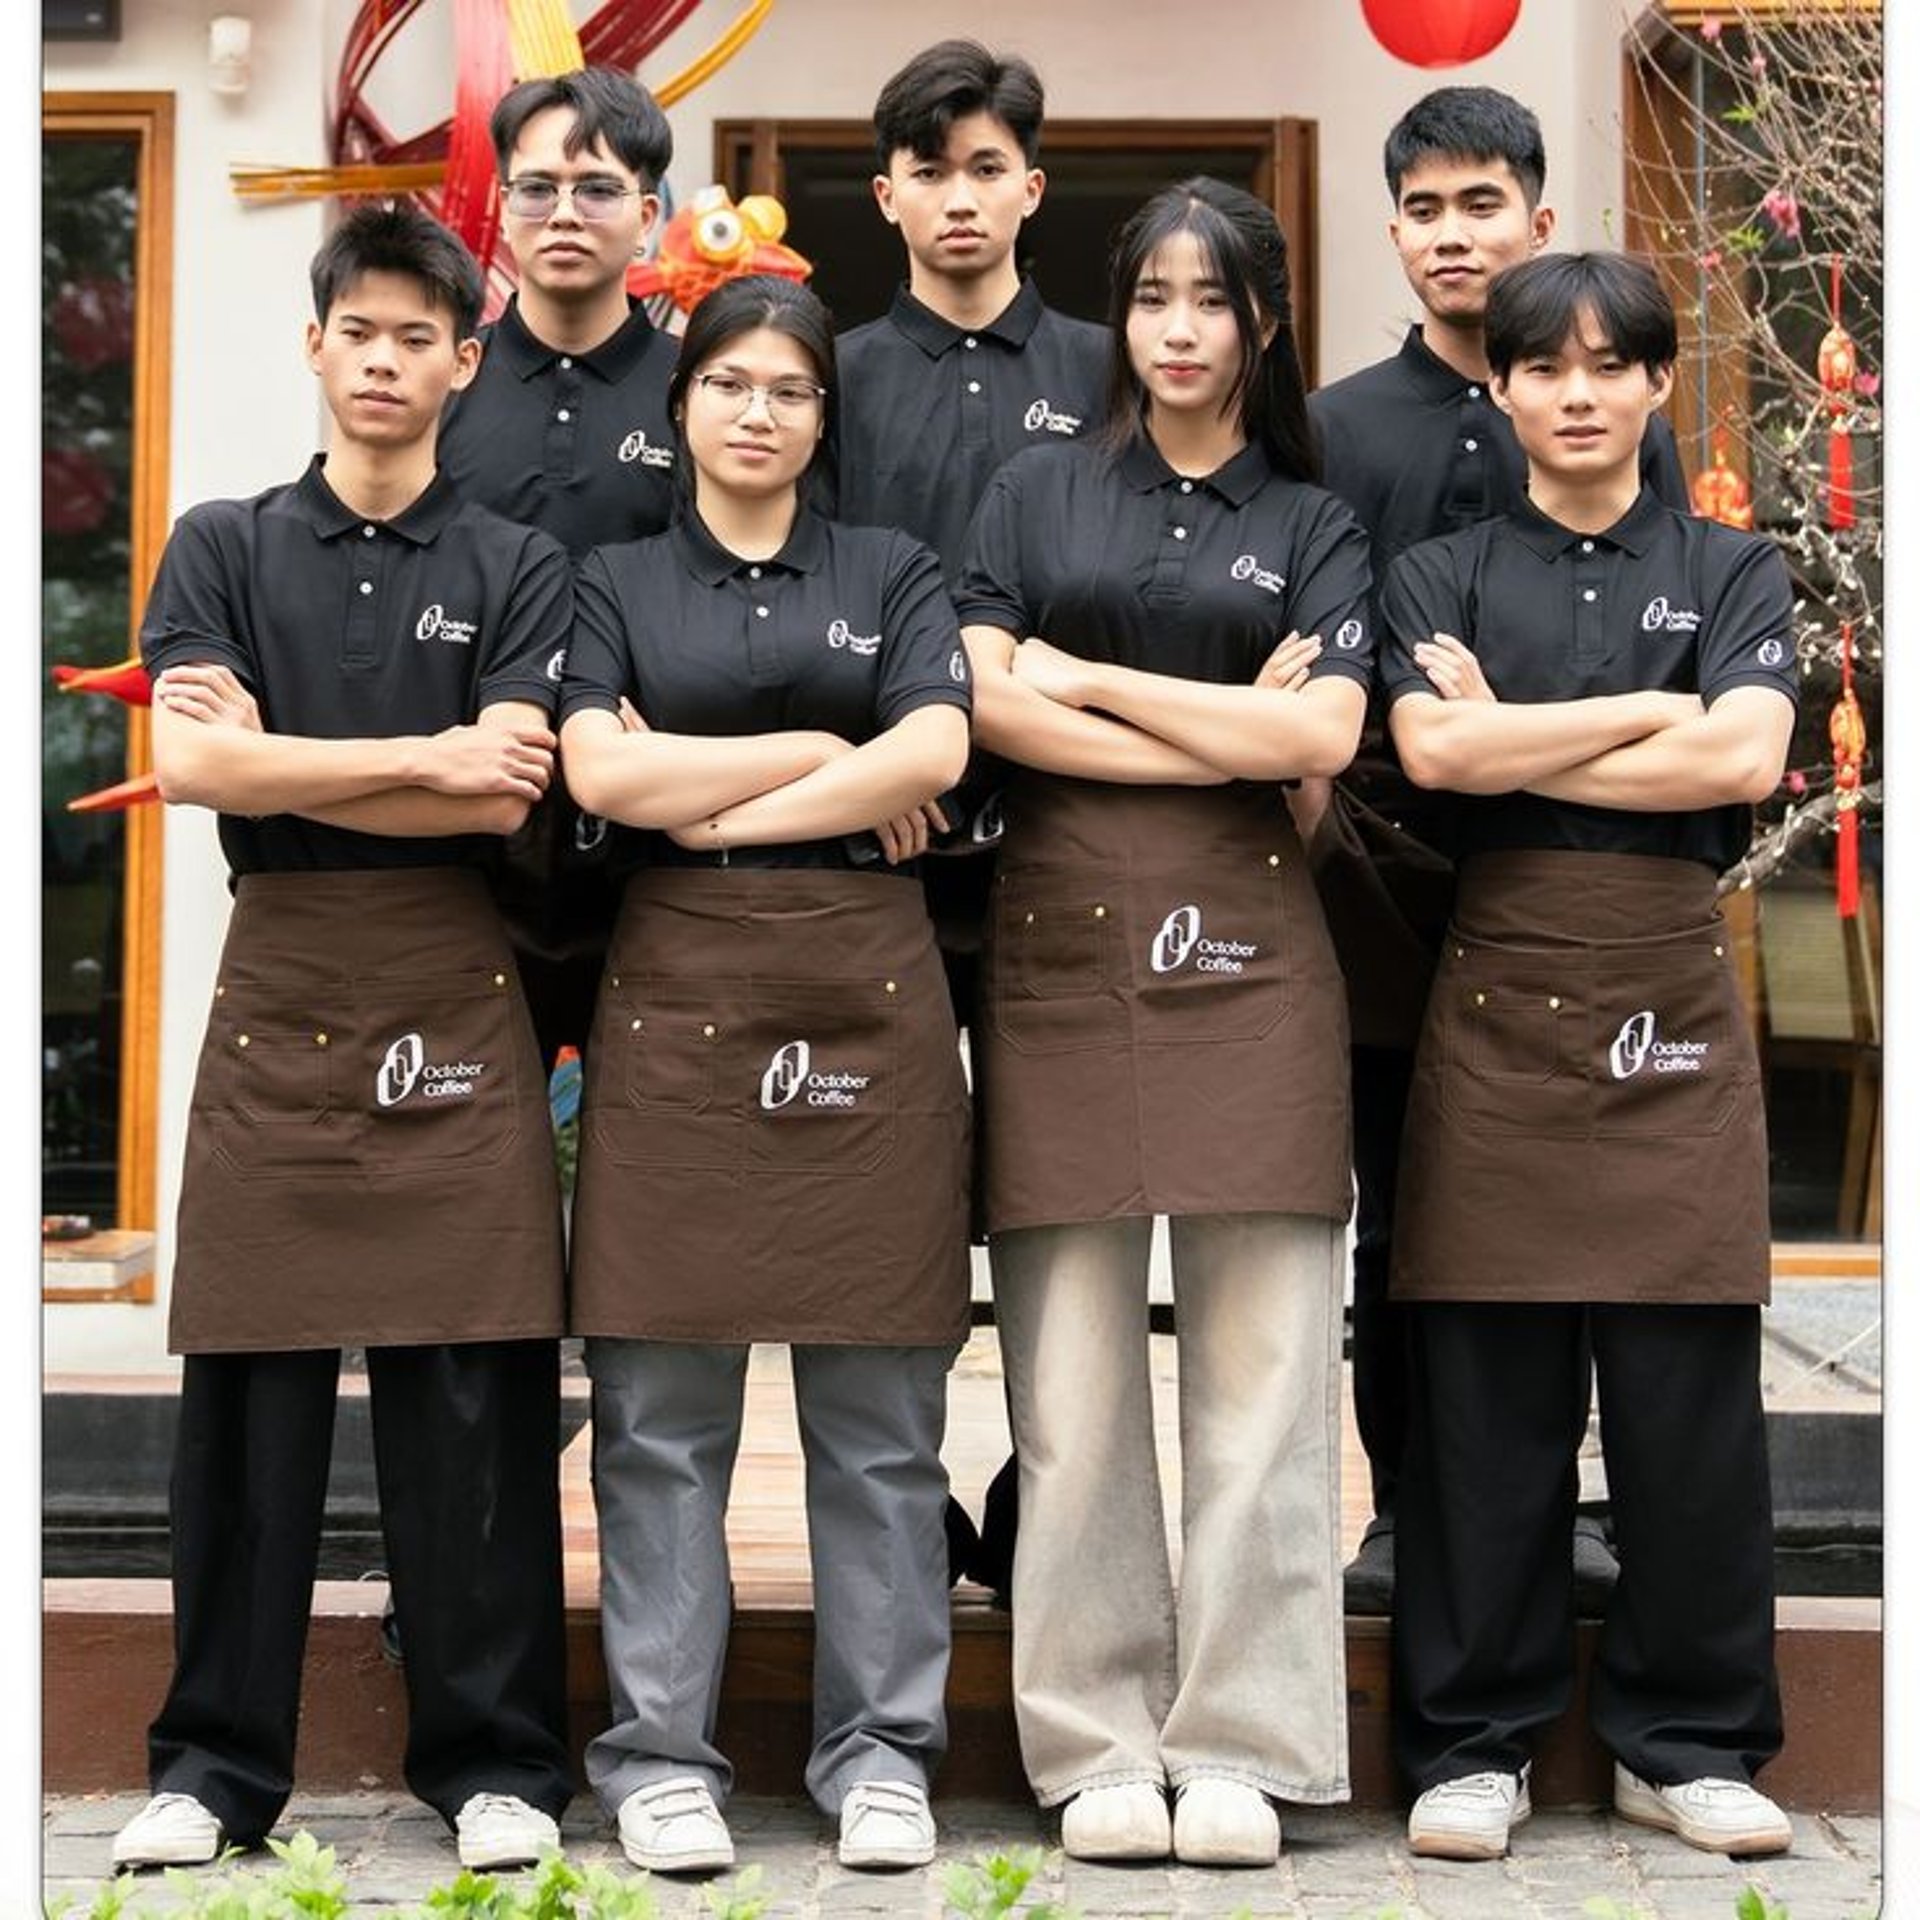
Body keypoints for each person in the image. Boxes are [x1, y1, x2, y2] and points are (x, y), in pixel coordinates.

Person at [111, 203, 575, 1875]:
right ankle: (214, 1768)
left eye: (416, 338)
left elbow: (507, 785)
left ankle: (498, 1763)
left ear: (466, 360)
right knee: (250, 1396)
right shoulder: (222, 545)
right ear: (315, 347)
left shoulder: (517, 561)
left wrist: (295, 758)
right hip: (281, 981)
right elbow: (197, 770)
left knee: (474, 1388)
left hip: (456, 983)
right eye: (357, 332)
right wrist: (421, 761)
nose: (384, 362)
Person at [955, 178, 1370, 1867]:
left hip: (1256, 962)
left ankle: (1248, 1739)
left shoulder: (1316, 519)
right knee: (1068, 1375)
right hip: (1061, 950)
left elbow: (1322, 736)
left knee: (1268, 1375)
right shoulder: (1035, 488)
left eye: (1213, 301)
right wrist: (1219, 728)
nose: (1180, 331)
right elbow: (979, 696)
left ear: (1264, 322)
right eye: (1151, 299)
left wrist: (1093, 679)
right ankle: (1095, 1736)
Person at [1380, 251, 1795, 1863]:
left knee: (1691, 1404)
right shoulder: (1442, 571)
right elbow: (1434, 752)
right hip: (1500, 1000)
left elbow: (1748, 754)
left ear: (1655, 385)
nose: (1576, 393)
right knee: (1487, 1408)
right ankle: (1471, 1742)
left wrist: (1524, 739)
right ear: (1498, 390)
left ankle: (1686, 1741)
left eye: (1609, 365)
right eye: (1543, 367)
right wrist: (1651, 714)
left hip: (1669, 993)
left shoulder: (1733, 563)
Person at [557, 275, 975, 1876]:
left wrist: (707, 805)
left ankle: (882, 1753)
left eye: (790, 390)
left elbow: (936, 749)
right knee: (661, 1414)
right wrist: (818, 758)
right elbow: (598, 769)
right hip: (676, 1006)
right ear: (681, 408)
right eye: (728, 383)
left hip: (869, 1000)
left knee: (880, 1411)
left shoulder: (894, 567)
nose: (757, 412)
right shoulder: (611, 580)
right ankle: (662, 1757)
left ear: (822, 419)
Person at [1306, 86, 1689, 1608]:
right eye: (1425, 209)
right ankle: (1406, 1509)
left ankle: (1565, 1506)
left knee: (1574, 1189)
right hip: (1388, 870)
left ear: (1540, 217)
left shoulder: (1626, 417)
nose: (1453, 235)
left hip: (1577, 859)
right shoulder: (1339, 425)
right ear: (1393, 230)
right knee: (1402, 1196)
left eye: (1483, 205)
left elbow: (1663, 647)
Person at [835, 35, 1111, 1597]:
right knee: (886, 1183)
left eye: (986, 168)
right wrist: (867, 771)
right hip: (877, 848)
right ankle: (909, 1498)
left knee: (1059, 1189)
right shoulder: (828, 376)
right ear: (886, 194)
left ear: (1033, 188)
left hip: (1069, 841)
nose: (959, 197)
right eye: (929, 170)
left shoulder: (1105, 372)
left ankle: (1045, 1499)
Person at [438, 67, 678, 1070]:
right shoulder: (444, 381)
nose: (564, 213)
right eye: (537, 188)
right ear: (502, 208)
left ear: (649, 216)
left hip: (661, 833)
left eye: (597, 189)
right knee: (475, 1131)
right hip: (470, 831)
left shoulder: (706, 391)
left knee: (658, 1129)